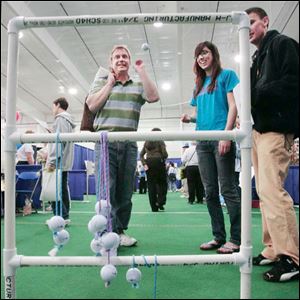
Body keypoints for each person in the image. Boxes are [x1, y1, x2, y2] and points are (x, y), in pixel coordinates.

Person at [245, 7, 299, 282]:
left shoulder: (282, 44)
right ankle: (272, 248)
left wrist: (257, 92)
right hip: (260, 130)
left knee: (272, 192)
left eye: (252, 22)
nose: (248, 27)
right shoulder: (258, 57)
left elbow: (294, 81)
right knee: (264, 192)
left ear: (265, 22)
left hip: (277, 129)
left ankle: (291, 256)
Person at [87, 45, 159, 246]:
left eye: (124, 56)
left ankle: (118, 232)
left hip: (128, 144)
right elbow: (92, 105)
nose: (121, 59)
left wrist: (142, 71)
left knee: (125, 193)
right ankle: (103, 234)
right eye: (117, 57)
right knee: (105, 192)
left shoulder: (137, 84)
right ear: (111, 62)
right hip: (105, 144)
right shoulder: (101, 81)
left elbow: (153, 97)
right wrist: (109, 83)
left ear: (129, 60)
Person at [181, 41, 241, 254]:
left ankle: (236, 239)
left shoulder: (227, 76)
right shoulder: (198, 84)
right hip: (202, 142)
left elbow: (233, 106)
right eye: (198, 55)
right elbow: (203, 112)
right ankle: (218, 236)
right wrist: (190, 118)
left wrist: (227, 134)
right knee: (210, 191)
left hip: (221, 138)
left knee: (228, 189)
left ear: (213, 54)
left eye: (204, 53)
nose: (201, 57)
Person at [46, 97, 76, 224]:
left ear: (58, 105)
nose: (52, 110)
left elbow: (58, 142)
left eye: (53, 106)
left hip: (58, 160)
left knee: (55, 188)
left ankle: (59, 217)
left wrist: (52, 160)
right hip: (64, 160)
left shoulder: (60, 119)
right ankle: (64, 216)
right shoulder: (68, 121)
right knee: (62, 188)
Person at [140, 128, 168, 212]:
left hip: (149, 163)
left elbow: (141, 155)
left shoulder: (146, 142)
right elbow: (165, 154)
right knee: (162, 184)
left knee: (151, 186)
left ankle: (153, 207)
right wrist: (163, 158)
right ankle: (160, 202)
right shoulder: (160, 141)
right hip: (159, 162)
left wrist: (144, 164)